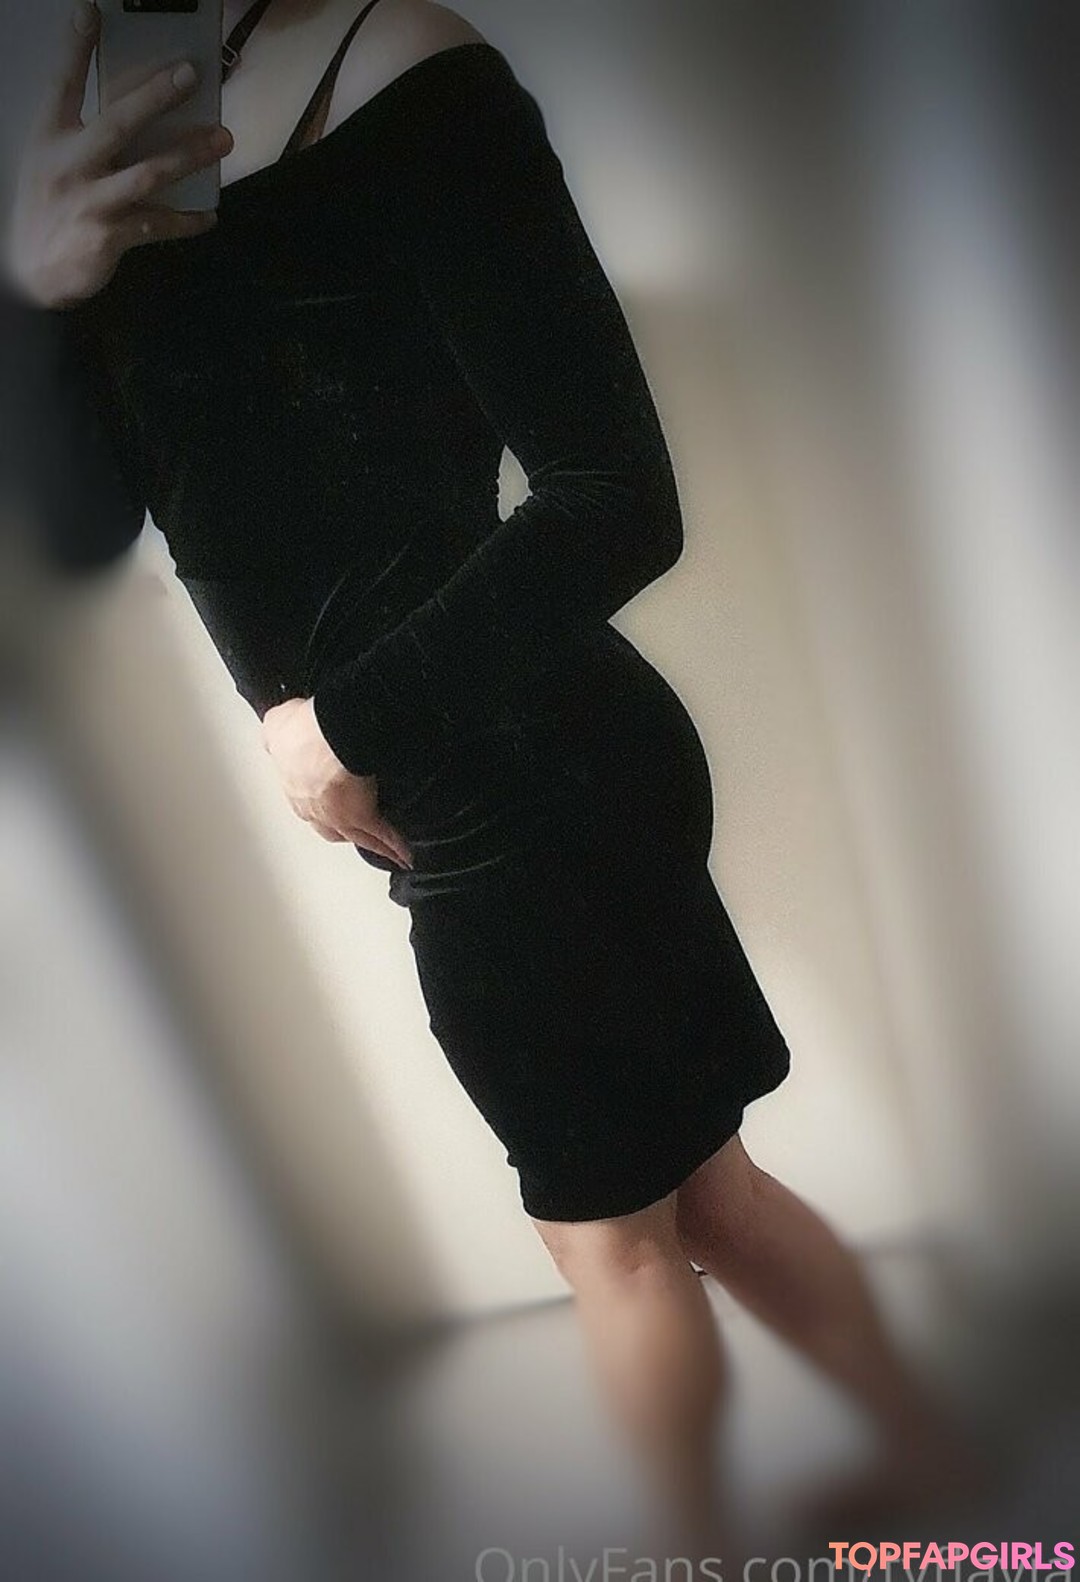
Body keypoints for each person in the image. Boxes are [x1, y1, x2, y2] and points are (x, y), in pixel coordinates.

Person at [3, 0, 983, 1558]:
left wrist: (337, 726)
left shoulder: (404, 65)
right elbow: (75, 534)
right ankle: (935, 1464)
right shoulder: (100, 159)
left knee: (614, 1250)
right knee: (706, 1201)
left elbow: (617, 498)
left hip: (527, 790)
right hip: (494, 785)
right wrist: (37, 297)